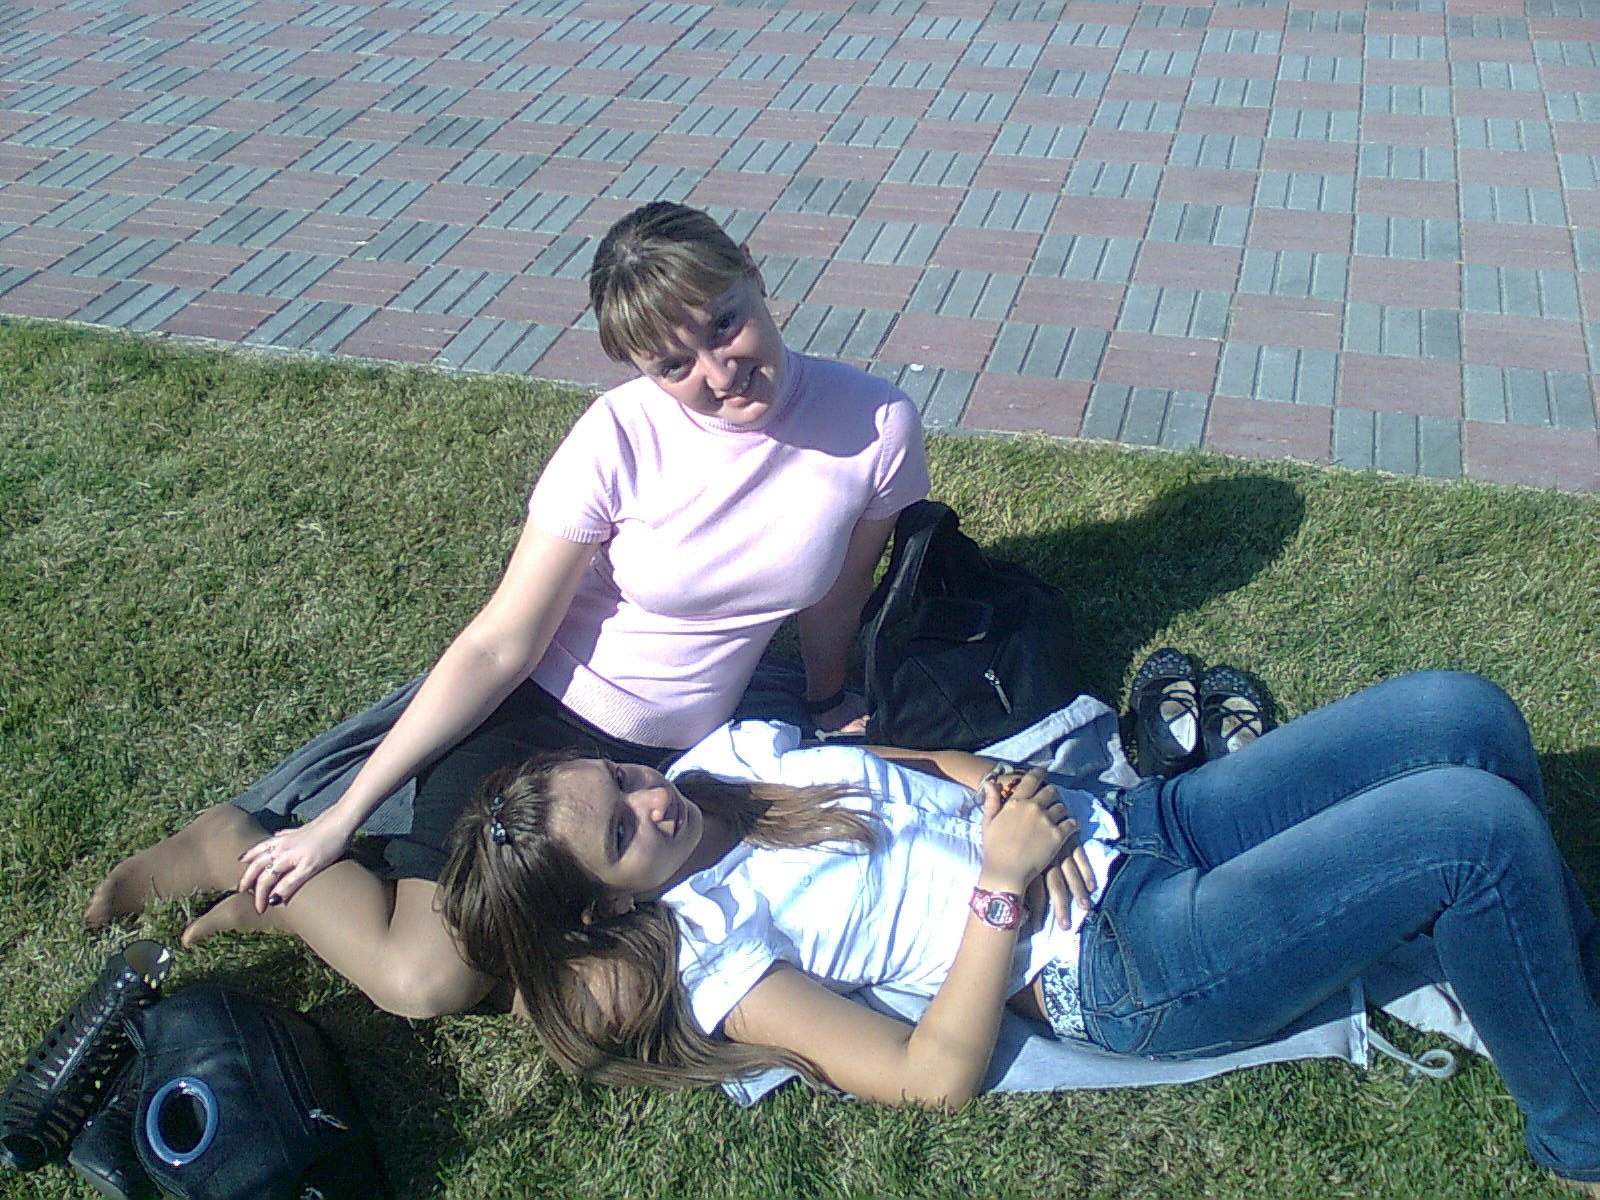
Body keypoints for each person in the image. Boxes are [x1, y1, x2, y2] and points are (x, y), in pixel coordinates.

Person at [85, 200, 930, 1019]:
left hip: (667, 767)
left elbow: (841, 593)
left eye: (725, 324)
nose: (717, 373)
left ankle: (304, 910)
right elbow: (499, 643)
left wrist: (827, 696)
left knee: (608, 973)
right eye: (674, 366)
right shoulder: (618, 437)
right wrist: (340, 819)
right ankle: (230, 844)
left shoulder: (875, 423)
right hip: (534, 724)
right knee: (428, 982)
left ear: (752, 272)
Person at [437, 671, 1600, 1192]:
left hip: (1138, 823)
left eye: (622, 776)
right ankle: (1582, 1143)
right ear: (608, 906)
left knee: (1460, 714)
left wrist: (997, 786)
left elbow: (915, 766)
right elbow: (926, 1080)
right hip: (1127, 962)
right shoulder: (714, 953)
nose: (652, 799)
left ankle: (1564, 990)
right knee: (1467, 830)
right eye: (624, 831)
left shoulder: (726, 760)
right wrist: (1000, 884)